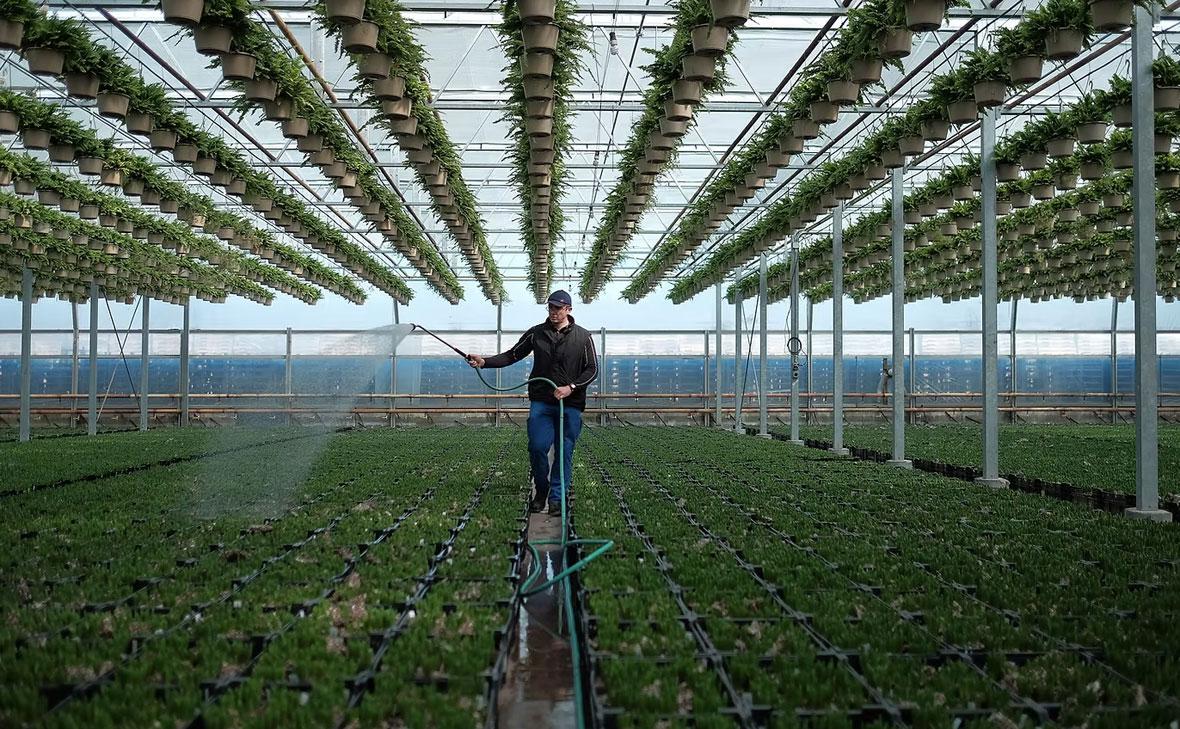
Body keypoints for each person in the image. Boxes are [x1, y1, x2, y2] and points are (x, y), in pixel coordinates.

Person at [466, 290, 598, 516]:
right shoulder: (537, 333)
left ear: (568, 309)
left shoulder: (583, 337)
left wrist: (571, 387)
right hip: (542, 402)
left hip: (571, 405)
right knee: (537, 447)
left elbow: (592, 369)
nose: (553, 311)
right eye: (551, 307)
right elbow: (512, 355)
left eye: (558, 308)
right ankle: (542, 490)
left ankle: (556, 499)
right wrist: (484, 361)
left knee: (564, 452)